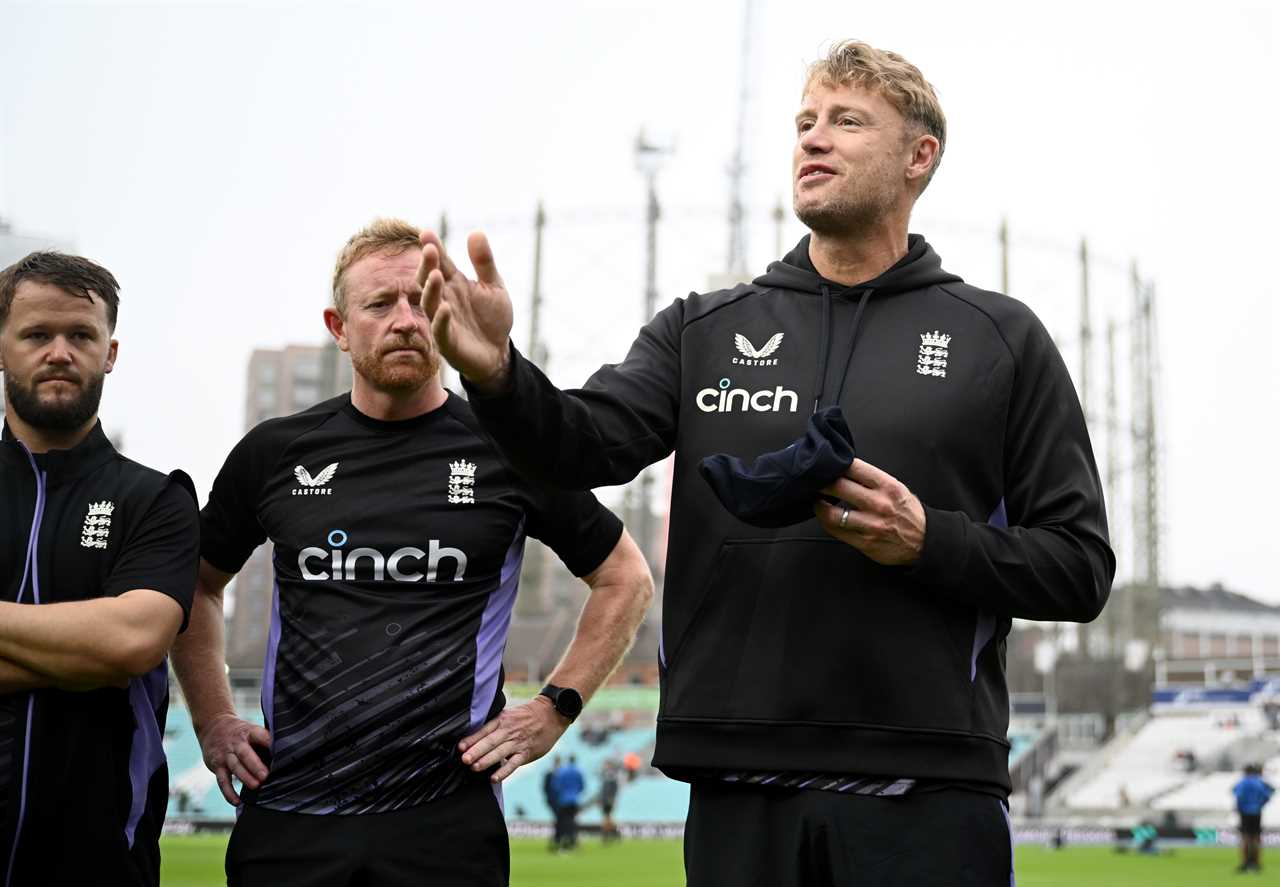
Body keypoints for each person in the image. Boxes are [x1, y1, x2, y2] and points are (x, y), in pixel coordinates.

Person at [421, 39, 1114, 886]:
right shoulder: (702, 328)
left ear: (918, 157)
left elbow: (1080, 567)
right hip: (734, 776)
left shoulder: (999, 339)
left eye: (847, 122)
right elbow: (578, 444)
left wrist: (929, 538)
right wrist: (495, 374)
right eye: (805, 122)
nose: (813, 139)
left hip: (930, 783)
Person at [170, 219, 653, 887]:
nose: (406, 320)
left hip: (444, 820)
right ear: (339, 326)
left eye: (421, 302)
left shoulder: (509, 448)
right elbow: (192, 586)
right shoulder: (275, 453)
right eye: (380, 304)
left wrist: (554, 706)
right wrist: (215, 717)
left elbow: (624, 576)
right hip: (291, 811)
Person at [0, 252, 200, 885]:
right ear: (1, 348)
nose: (60, 352)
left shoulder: (158, 499)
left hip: (100, 866)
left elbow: (130, 642)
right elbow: (101, 647)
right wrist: (74, 657)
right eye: (36, 335)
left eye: (81, 335)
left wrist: (104, 652)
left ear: (109, 353)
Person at [1232, 764, 1274, 873]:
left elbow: (1237, 794)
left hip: (1245, 813)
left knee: (1245, 838)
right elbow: (1268, 794)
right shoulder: (1259, 782)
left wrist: (1239, 807)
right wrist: (1260, 804)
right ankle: (1256, 863)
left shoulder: (1243, 782)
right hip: (1256, 812)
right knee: (1256, 838)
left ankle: (1245, 863)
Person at [551, 755, 585, 851]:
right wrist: (575, 792)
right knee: (572, 820)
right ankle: (572, 841)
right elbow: (582, 786)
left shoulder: (562, 771)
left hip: (563, 800)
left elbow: (556, 786)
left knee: (563, 821)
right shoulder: (578, 772)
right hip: (574, 799)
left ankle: (563, 841)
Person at [598, 761, 621, 843]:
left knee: (607, 818)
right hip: (605, 800)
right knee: (608, 818)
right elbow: (602, 790)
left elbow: (614, 789)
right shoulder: (606, 776)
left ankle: (606, 835)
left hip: (608, 800)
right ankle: (614, 833)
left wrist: (612, 799)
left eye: (606, 765)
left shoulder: (612, 777)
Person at [543, 755, 563, 850]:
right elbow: (545, 787)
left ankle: (557, 839)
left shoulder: (560, 773)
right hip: (554, 800)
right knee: (559, 819)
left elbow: (545, 787)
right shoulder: (551, 773)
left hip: (559, 800)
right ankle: (557, 839)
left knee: (559, 820)